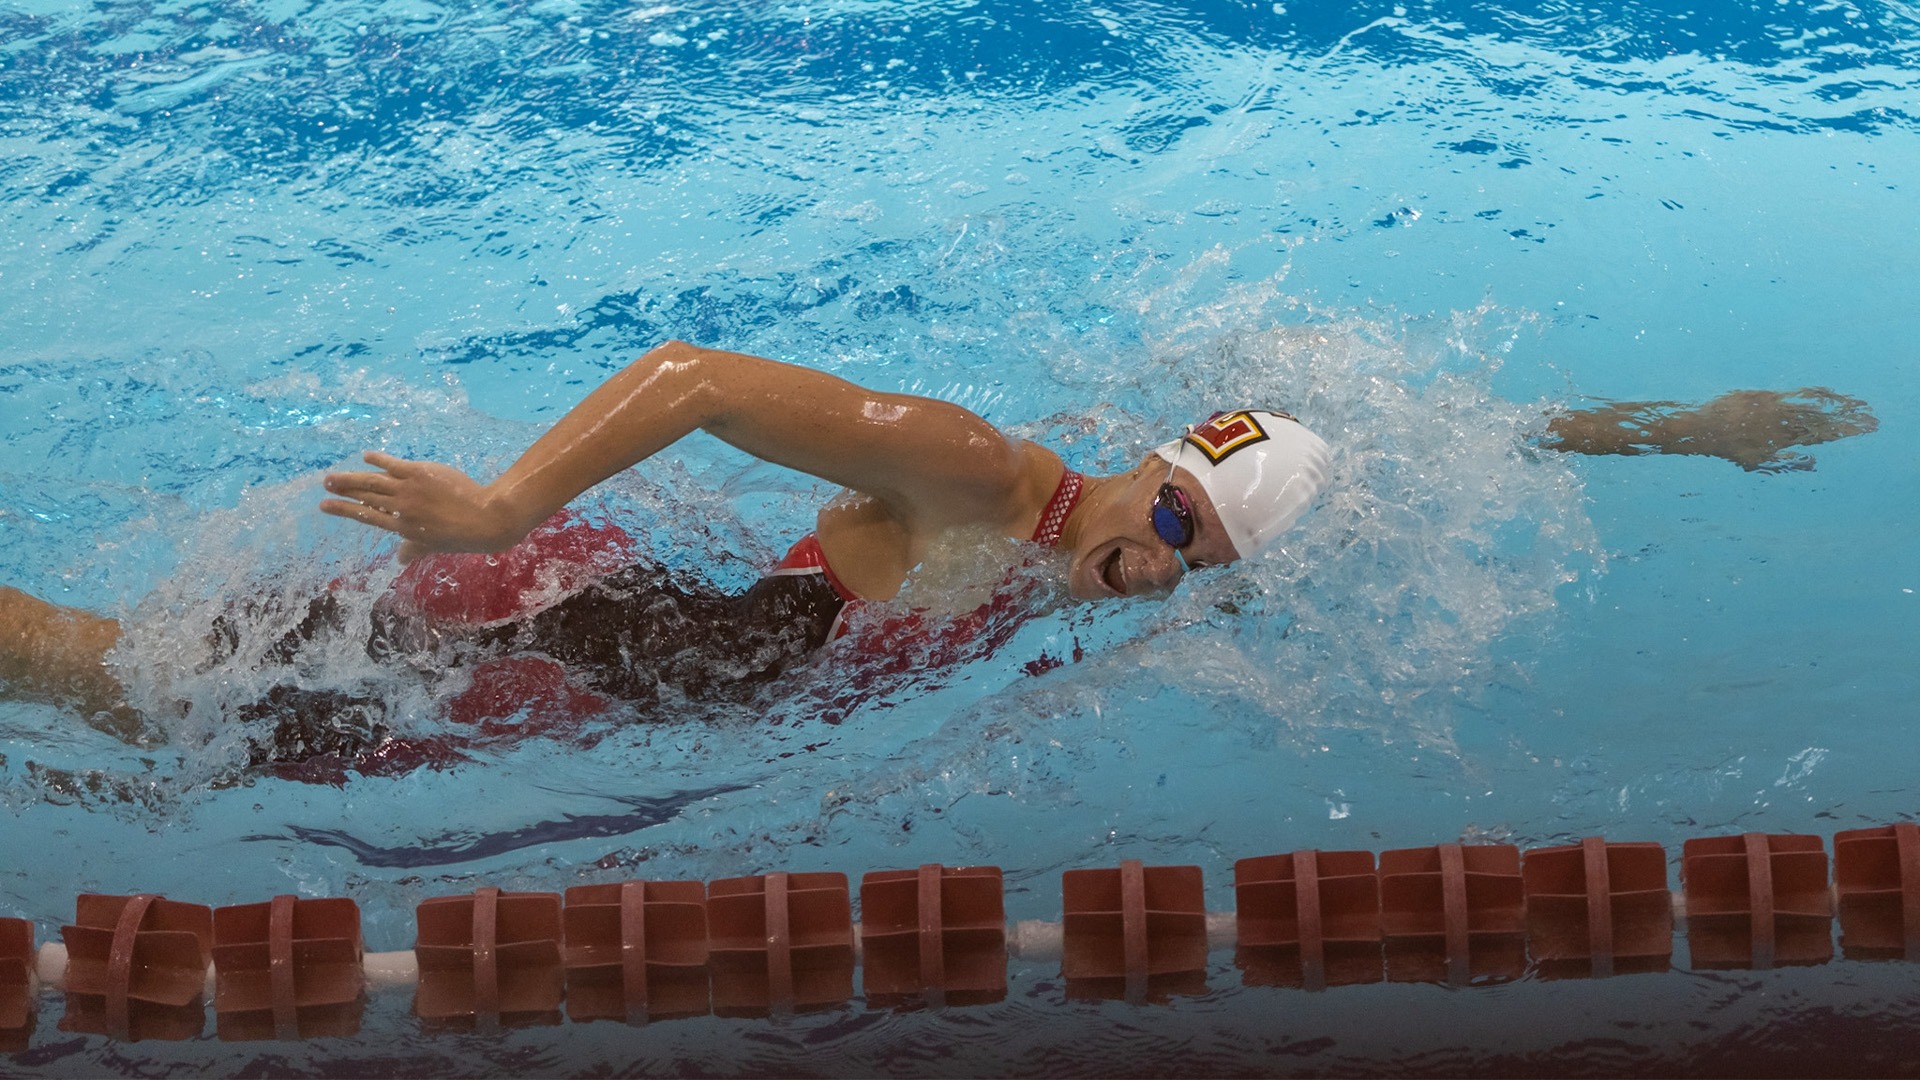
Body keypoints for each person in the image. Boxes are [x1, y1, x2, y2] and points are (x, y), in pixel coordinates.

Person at [0, 342, 1878, 771]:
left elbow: (1408, 442)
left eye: (1199, 566)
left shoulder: (1088, 539)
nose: (1163, 575)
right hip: (533, 622)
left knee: (143, 754)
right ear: (1145, 476)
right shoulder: (986, 481)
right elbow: (695, 373)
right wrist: (496, 509)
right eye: (1172, 525)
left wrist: (1673, 432)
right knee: (115, 685)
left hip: (548, 694)